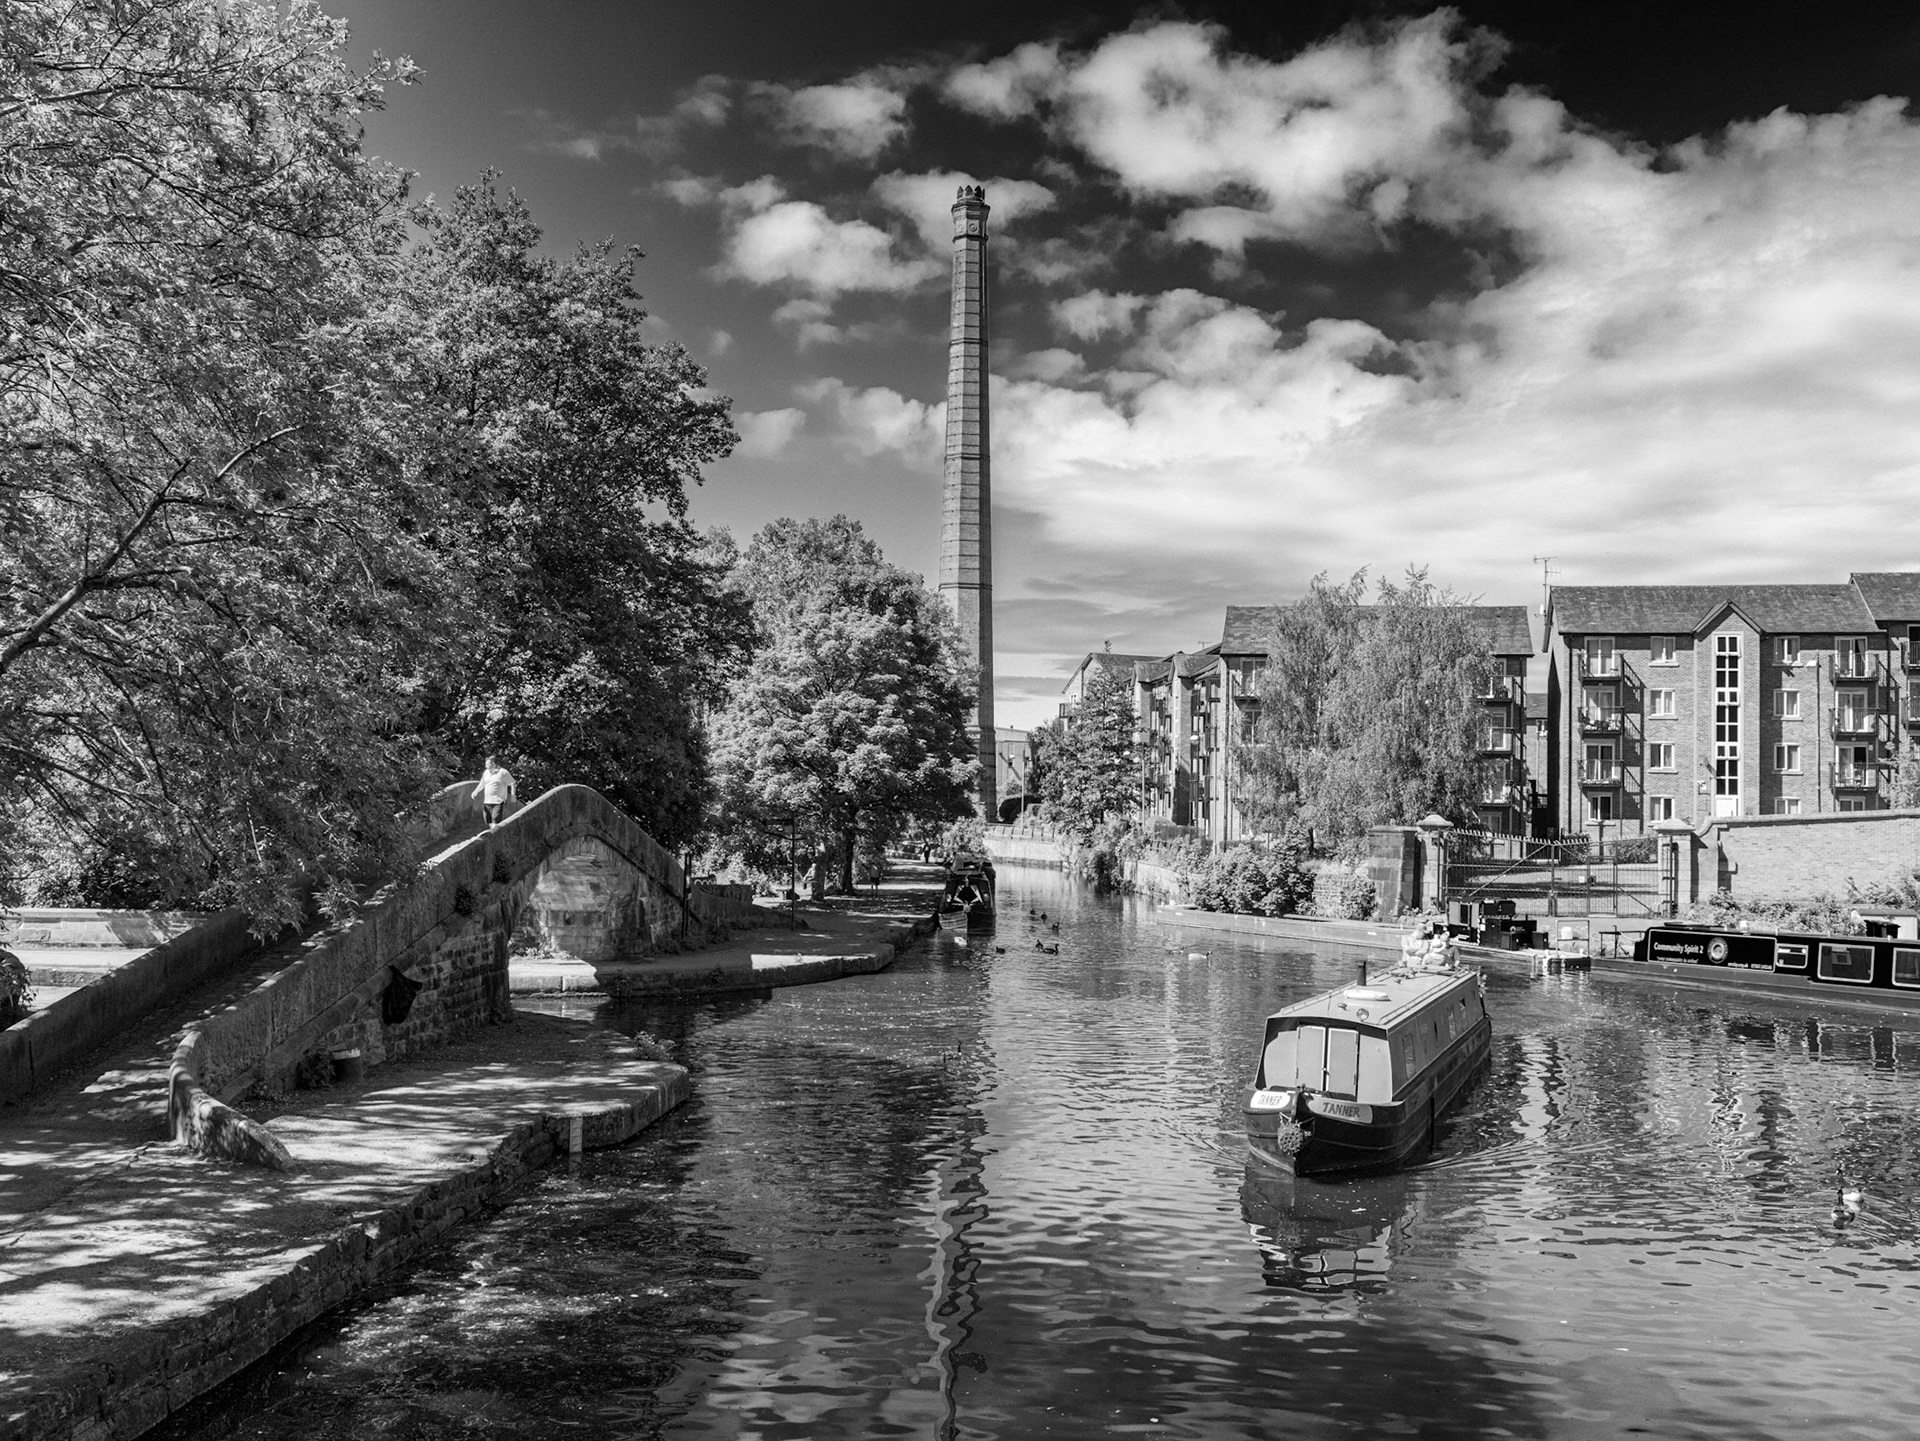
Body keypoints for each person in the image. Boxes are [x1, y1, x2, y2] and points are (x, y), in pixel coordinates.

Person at [472, 755, 517, 828]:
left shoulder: (503, 772)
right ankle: (492, 832)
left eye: (488, 764)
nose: (486, 766)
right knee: (487, 820)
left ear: (493, 763)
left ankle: (494, 835)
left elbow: (512, 783)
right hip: (487, 801)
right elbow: (482, 783)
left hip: (498, 801)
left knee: (495, 820)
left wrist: (513, 795)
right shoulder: (486, 772)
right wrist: (476, 791)